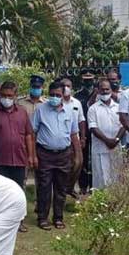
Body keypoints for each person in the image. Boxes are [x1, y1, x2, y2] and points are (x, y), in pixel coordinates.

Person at [0, 81, 35, 233]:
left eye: (10, 96)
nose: (6, 98)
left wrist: (31, 156)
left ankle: (18, 222)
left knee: (18, 192)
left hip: (19, 159)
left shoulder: (22, 112)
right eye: (3, 95)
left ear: (15, 96)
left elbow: (28, 135)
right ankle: (0, 223)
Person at [31, 80, 82, 230]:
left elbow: (74, 134)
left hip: (64, 154)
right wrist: (32, 155)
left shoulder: (69, 111)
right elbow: (32, 133)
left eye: (57, 95)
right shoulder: (41, 110)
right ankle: (42, 218)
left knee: (61, 188)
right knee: (44, 187)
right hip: (44, 154)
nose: (54, 97)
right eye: (52, 94)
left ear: (63, 95)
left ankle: (58, 218)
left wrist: (78, 154)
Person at [87, 79, 124, 189]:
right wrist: (107, 141)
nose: (105, 91)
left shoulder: (118, 107)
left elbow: (123, 125)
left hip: (116, 149)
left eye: (107, 89)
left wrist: (116, 140)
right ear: (98, 90)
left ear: (112, 90)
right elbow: (93, 127)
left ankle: (116, 204)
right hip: (100, 149)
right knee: (101, 179)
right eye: (102, 89)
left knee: (116, 178)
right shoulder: (93, 108)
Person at [59, 77, 86, 197]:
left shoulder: (76, 103)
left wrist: (83, 137)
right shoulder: (57, 103)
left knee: (78, 163)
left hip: (75, 138)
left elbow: (81, 121)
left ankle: (70, 187)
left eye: (68, 86)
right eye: (64, 86)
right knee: (65, 165)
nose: (66, 88)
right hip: (62, 139)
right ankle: (62, 189)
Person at [75, 69, 96, 194]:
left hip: (97, 132)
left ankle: (94, 185)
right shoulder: (78, 96)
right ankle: (83, 186)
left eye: (90, 79)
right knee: (82, 160)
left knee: (94, 160)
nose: (88, 81)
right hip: (83, 131)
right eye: (86, 79)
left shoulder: (99, 93)